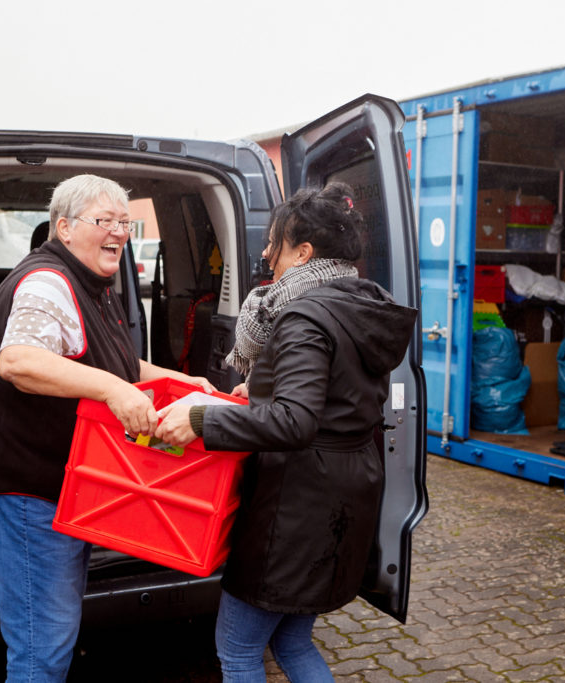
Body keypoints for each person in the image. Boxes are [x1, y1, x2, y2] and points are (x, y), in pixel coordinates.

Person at [155, 181, 418, 682]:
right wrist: (254, 396)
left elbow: (295, 420)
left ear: (303, 253)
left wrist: (197, 419)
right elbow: (330, 397)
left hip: (297, 510)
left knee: (237, 650)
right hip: (343, 496)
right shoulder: (359, 304)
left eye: (275, 244)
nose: (267, 255)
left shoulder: (303, 316)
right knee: (293, 641)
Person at [0, 174, 214, 682]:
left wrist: (184, 380)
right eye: (104, 221)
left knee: (52, 641)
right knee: (41, 652)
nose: (119, 232)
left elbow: (121, 363)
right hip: (29, 497)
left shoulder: (89, 283)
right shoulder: (47, 282)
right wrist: (113, 391)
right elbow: (18, 361)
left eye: (125, 222)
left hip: (61, 494)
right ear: (64, 226)